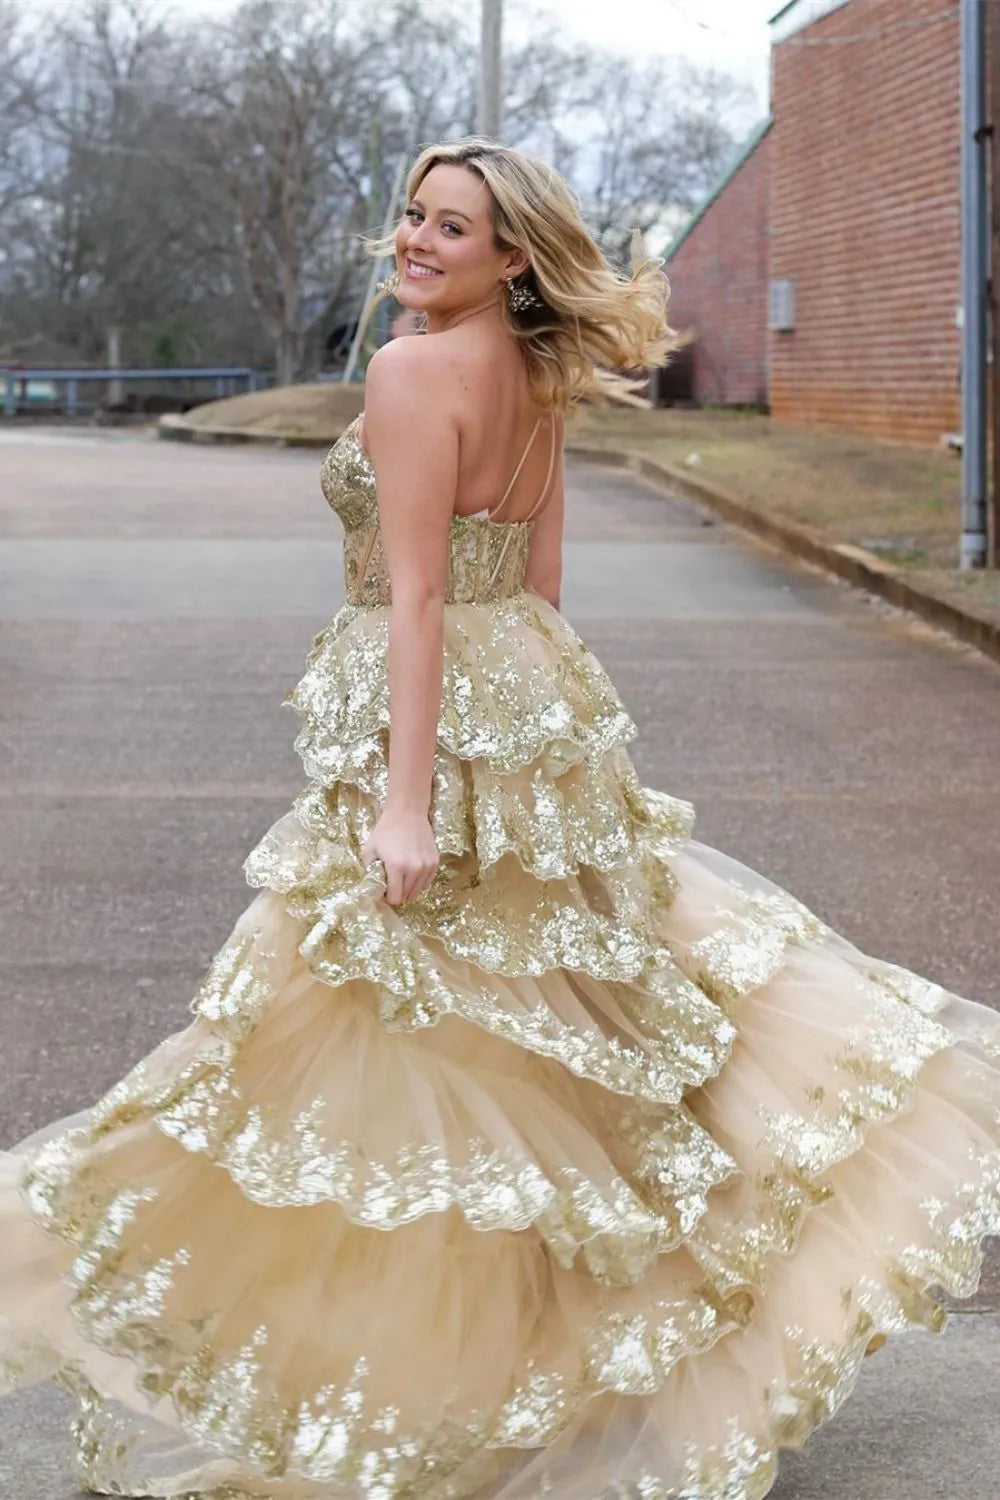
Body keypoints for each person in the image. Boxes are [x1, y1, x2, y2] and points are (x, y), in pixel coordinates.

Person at [1, 136, 999, 1500]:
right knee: (528, 1041)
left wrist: (410, 806)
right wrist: (543, 759)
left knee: (381, 1035)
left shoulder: (411, 372)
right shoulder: (533, 372)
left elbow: (415, 596)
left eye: (451, 229)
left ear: (512, 256)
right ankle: (496, 1359)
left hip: (438, 717)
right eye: (412, 216)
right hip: (522, 699)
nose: (415, 241)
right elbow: (540, 578)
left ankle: (418, 1369)